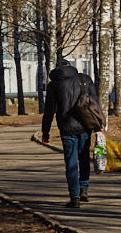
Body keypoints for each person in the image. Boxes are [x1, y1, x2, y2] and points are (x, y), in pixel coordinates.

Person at [41, 59, 100, 208]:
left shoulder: (54, 85)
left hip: (66, 128)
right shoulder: (84, 79)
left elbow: (49, 111)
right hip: (86, 126)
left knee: (71, 162)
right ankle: (84, 189)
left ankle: (74, 198)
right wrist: (98, 124)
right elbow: (95, 102)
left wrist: (45, 132)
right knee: (84, 158)